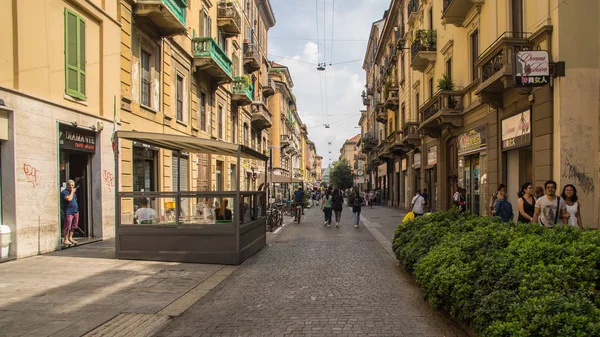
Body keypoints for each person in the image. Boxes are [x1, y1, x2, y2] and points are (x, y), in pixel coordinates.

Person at [61, 179, 79, 245]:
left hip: (75, 211)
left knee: (73, 226)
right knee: (67, 226)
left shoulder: (73, 193)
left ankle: (70, 238)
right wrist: (72, 192)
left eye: (72, 185)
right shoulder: (64, 192)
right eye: (69, 185)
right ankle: (65, 239)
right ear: (67, 185)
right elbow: (69, 199)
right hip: (68, 212)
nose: (71, 187)